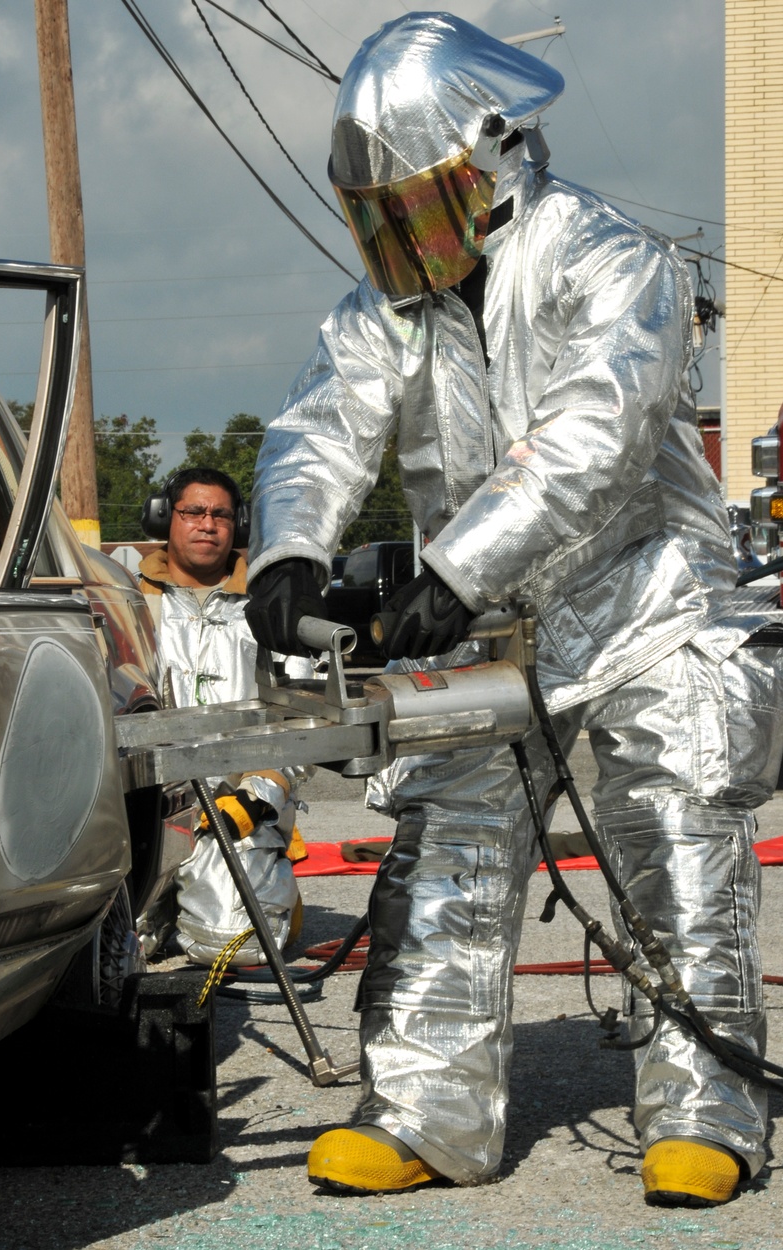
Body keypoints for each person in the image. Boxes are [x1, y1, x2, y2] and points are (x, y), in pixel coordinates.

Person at [242, 12, 783, 1207]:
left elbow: (593, 432)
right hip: (494, 622)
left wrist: (456, 568)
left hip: (647, 601)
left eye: (413, 204)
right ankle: (424, 1107)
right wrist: (285, 550)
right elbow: (323, 423)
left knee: (672, 835)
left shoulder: (612, 260)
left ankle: (705, 1106)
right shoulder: (394, 302)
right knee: (448, 841)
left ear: (490, 161)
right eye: (376, 213)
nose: (395, 236)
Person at [137, 467, 309, 968]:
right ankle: (162, 907)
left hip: (235, 809)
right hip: (145, 806)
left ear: (240, 526)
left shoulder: (271, 606)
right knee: (116, 949)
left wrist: (260, 796)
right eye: (193, 511)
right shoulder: (126, 600)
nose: (207, 524)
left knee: (235, 948)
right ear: (166, 518)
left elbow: (303, 718)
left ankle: (270, 891)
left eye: (221, 515)